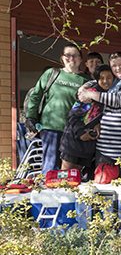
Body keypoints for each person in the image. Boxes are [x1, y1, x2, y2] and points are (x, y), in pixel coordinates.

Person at [25, 43, 90, 173]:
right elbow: (35, 96)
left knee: (70, 171)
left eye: (75, 55)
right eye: (68, 55)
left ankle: (66, 193)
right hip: (51, 128)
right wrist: (31, 116)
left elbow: (88, 107)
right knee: (50, 168)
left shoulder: (85, 80)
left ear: (81, 59)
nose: (71, 58)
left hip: (73, 132)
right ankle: (48, 193)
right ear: (62, 58)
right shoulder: (51, 73)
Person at [80, 52, 121, 176]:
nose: (118, 68)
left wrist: (90, 94)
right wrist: (85, 87)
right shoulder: (115, 82)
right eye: (114, 66)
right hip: (105, 149)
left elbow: (120, 100)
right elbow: (97, 80)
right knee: (103, 188)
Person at [59, 64, 113, 173]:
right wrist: (81, 133)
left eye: (109, 78)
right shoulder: (89, 94)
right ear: (97, 79)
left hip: (88, 146)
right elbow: (73, 116)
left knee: (76, 178)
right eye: (102, 78)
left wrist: (98, 125)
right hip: (74, 141)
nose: (106, 81)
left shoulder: (110, 95)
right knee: (65, 177)